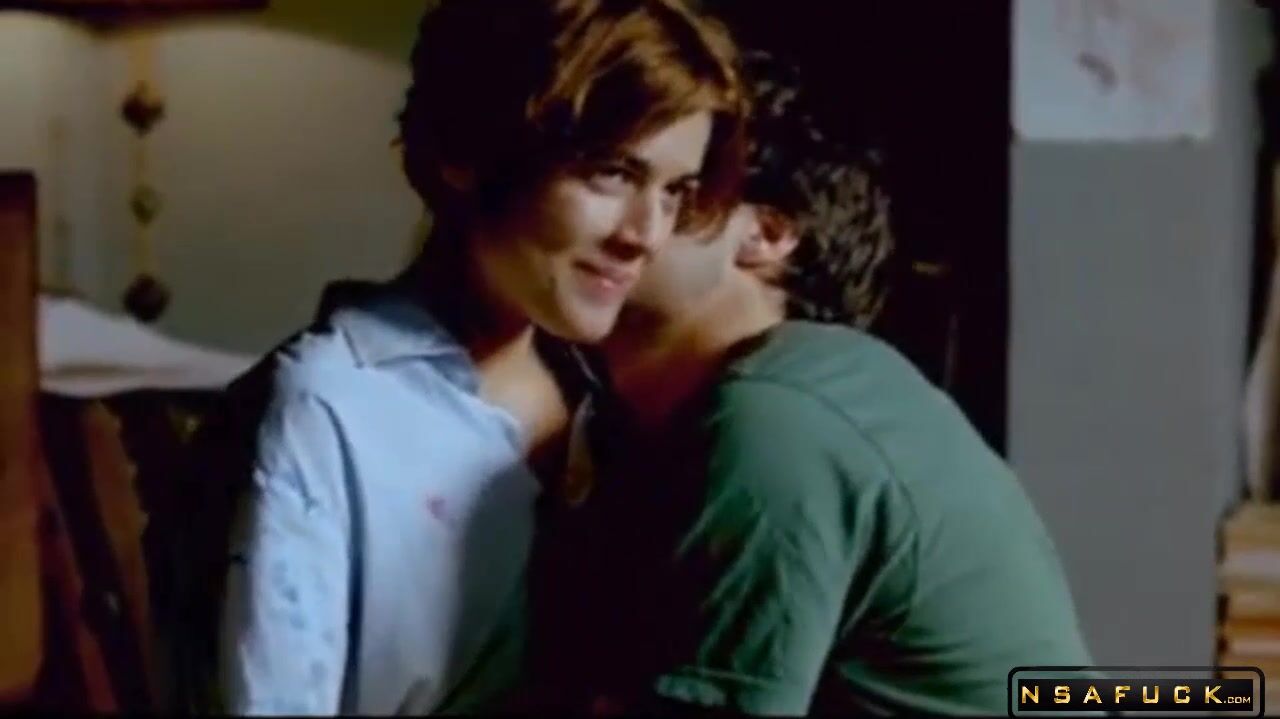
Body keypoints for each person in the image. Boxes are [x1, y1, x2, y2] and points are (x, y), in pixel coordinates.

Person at [170, 0, 749, 714]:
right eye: (610, 172)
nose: (646, 234)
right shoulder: (327, 410)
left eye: (675, 191)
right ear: (465, 154)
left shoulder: (616, 403)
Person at [526, 50, 1094, 715]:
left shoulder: (778, 418)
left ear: (765, 235)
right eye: (612, 175)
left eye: (680, 189)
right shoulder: (653, 424)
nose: (621, 218)